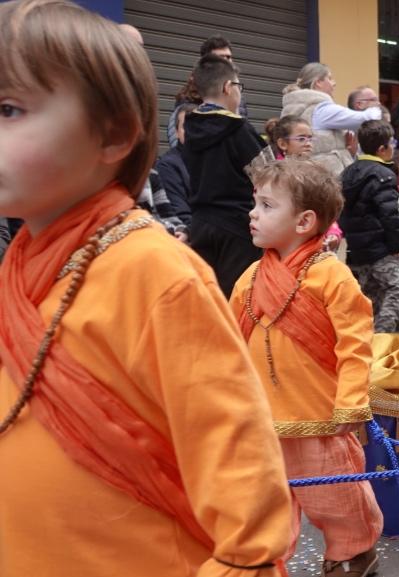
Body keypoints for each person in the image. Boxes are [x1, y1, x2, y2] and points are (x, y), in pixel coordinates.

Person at [0, 3, 293, 576]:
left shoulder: (156, 274)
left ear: (113, 135)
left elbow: (243, 484)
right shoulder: (20, 263)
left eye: (9, 108)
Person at [229, 159, 383, 577]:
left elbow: (356, 344)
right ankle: (265, 563)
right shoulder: (248, 278)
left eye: (265, 205)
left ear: (304, 221)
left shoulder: (332, 276)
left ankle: (351, 553)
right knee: (264, 503)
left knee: (337, 499)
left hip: (322, 417)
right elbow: (231, 347)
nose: (252, 213)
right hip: (263, 420)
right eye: (254, 203)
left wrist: (350, 403)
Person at [181, 54, 265, 296]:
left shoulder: (190, 127)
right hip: (237, 228)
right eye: (239, 86)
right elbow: (269, 175)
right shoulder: (238, 129)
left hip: (200, 225)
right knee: (240, 301)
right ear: (228, 88)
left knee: (208, 299)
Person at [340, 120, 399, 333]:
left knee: (370, 298)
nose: (394, 147)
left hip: (357, 250)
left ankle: (365, 342)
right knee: (397, 291)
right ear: (382, 149)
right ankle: (380, 338)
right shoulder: (383, 175)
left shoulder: (348, 172)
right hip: (380, 249)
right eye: (392, 143)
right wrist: (396, 246)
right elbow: (390, 215)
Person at [281, 63, 382, 178]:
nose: (334, 83)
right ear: (318, 82)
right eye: (329, 78)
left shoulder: (297, 107)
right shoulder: (321, 109)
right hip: (329, 177)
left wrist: (349, 152)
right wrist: (376, 109)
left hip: (309, 175)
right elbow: (366, 118)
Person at [168, 34, 247, 147]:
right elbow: (178, 136)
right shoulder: (188, 97)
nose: (226, 61)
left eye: (228, 57)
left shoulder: (238, 95)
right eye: (220, 57)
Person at [155, 102, 196, 240]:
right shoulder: (168, 165)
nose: (192, 132)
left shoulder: (215, 162)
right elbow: (181, 214)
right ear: (177, 132)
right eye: (186, 127)